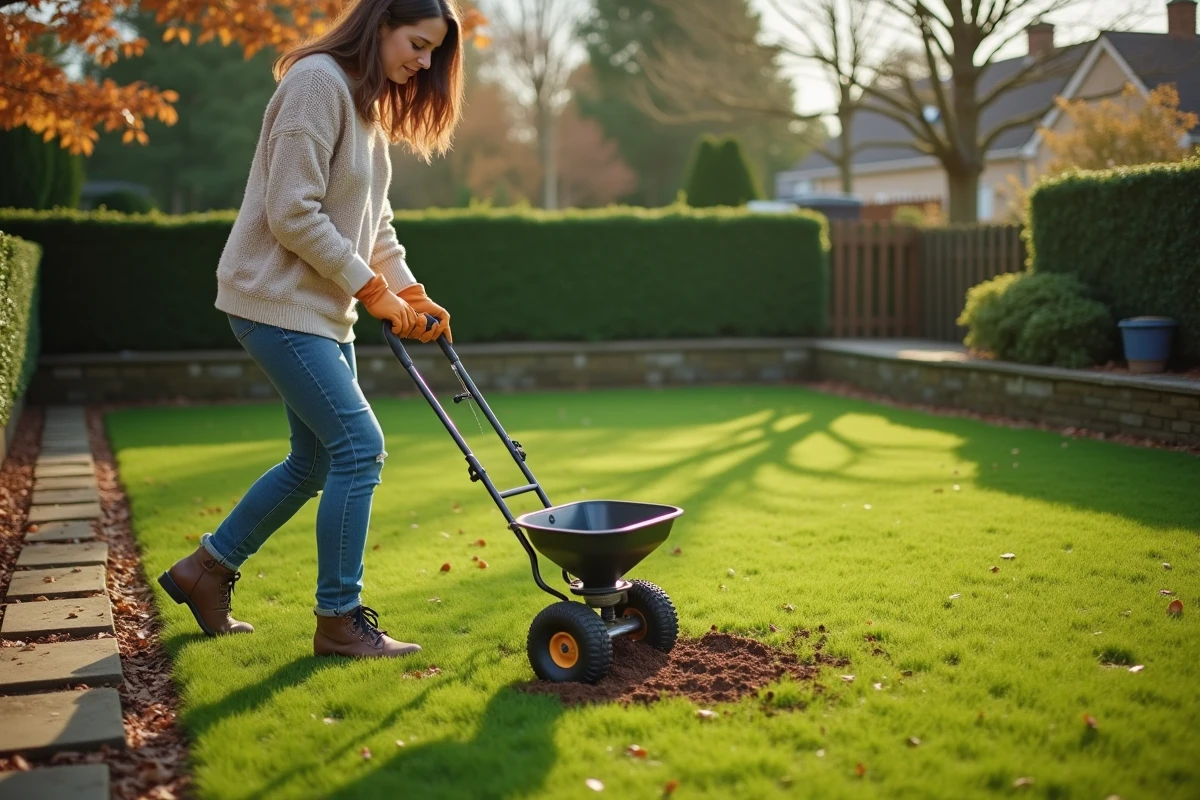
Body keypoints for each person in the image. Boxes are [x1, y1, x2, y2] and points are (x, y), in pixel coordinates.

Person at [157, 0, 465, 659]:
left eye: (434, 51)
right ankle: (339, 620)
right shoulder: (317, 83)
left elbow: (372, 224)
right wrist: (375, 292)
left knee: (317, 459)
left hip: (321, 312)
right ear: (380, 25)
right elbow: (290, 213)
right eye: (417, 43)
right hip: (275, 302)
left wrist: (406, 290)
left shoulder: (366, 105)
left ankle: (205, 571)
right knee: (359, 447)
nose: (425, 61)